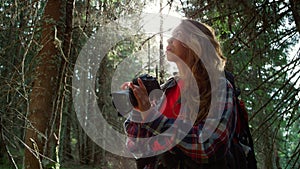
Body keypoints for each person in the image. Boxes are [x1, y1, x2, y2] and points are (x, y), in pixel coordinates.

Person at [122, 19, 237, 169]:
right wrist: (139, 109)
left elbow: (208, 147)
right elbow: (136, 147)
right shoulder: (166, 89)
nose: (169, 39)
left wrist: (151, 117)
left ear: (195, 43)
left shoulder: (219, 86)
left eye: (178, 35)